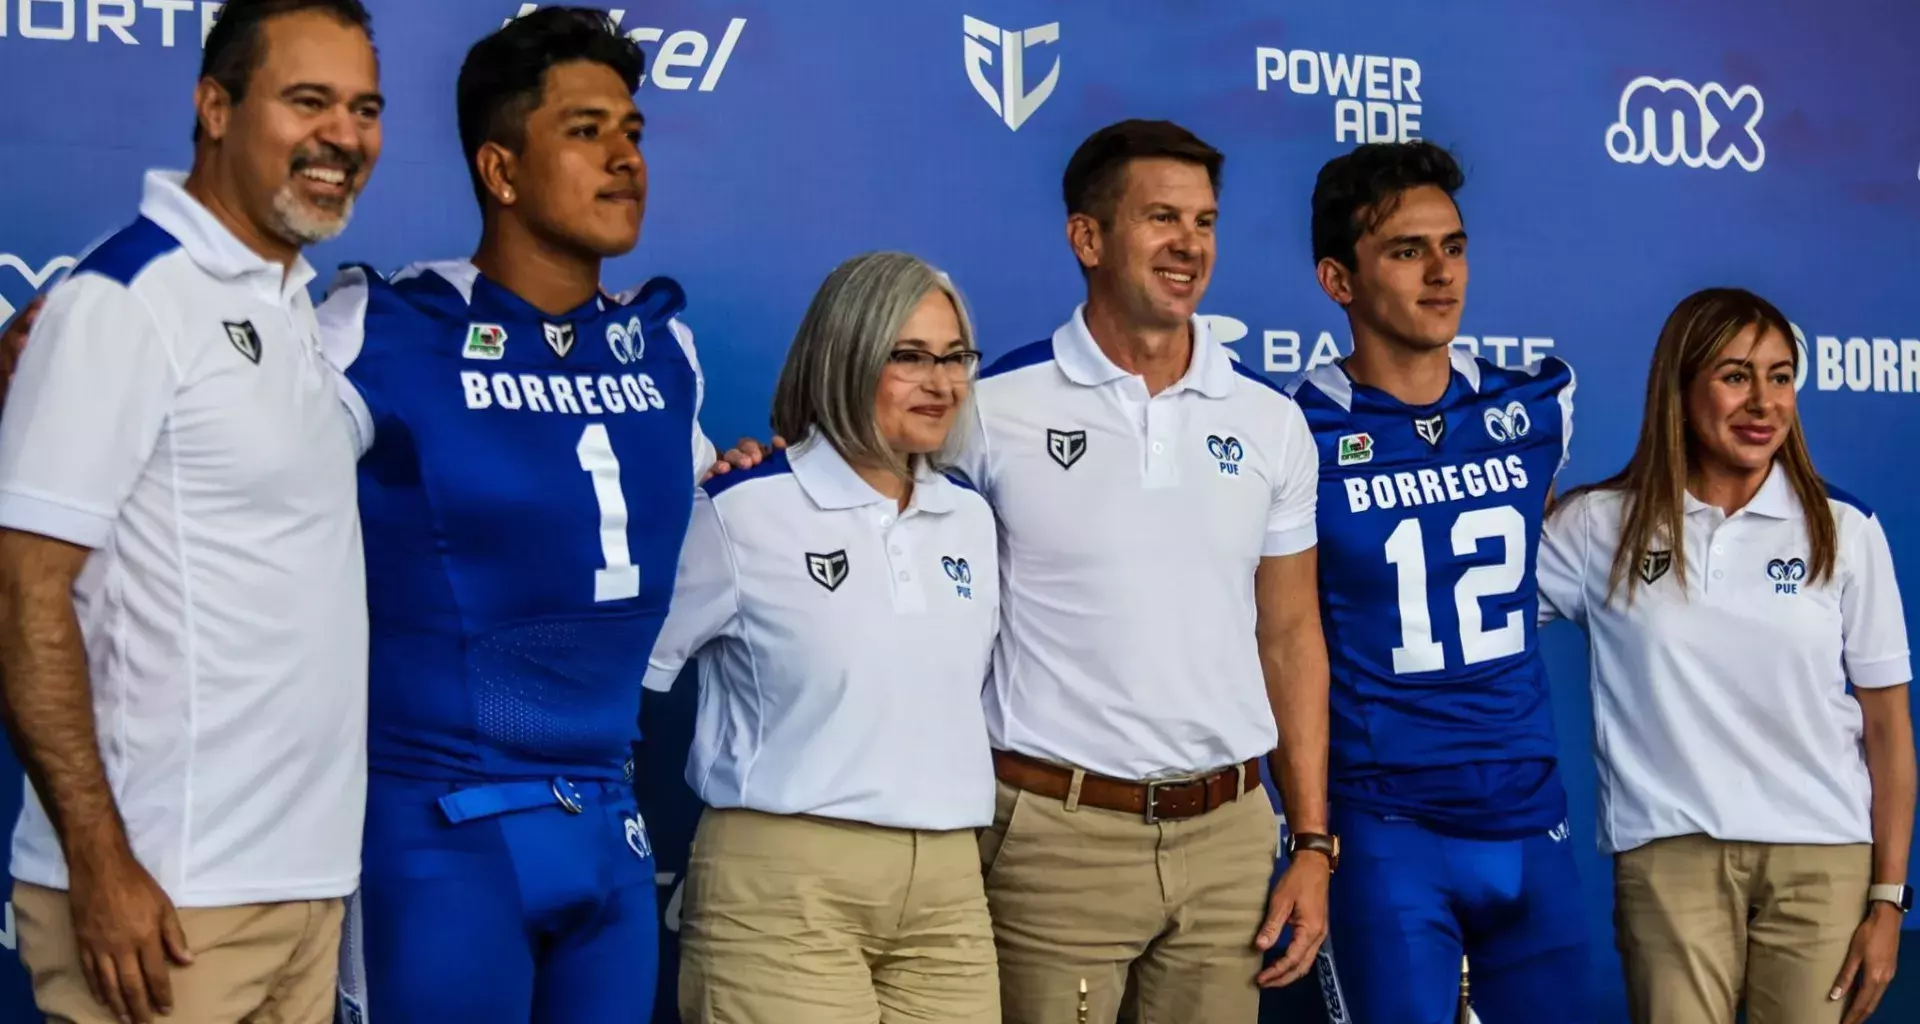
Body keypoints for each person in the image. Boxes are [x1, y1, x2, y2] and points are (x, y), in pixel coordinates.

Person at [314, 9, 713, 1022]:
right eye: (585, 132)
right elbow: (215, 463)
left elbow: (698, 538)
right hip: (437, 833)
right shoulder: (380, 329)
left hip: (611, 828)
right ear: (500, 170)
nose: (625, 158)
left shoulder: (666, 352)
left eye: (632, 132)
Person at [0, 1, 382, 1022]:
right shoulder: (125, 301)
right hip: (162, 908)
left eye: (363, 108)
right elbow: (22, 594)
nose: (342, 136)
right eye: (308, 101)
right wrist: (101, 864)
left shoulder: (290, 300)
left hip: (300, 891)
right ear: (215, 107)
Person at [958, 119, 1331, 1024]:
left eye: (1204, 222)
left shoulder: (1271, 419)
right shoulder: (988, 410)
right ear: (1088, 238)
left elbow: (1289, 635)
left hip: (1232, 836)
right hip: (1053, 833)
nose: (1189, 246)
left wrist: (1312, 842)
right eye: (1161, 218)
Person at [1537, 288, 1915, 1024]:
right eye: (1736, 375)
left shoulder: (1845, 529)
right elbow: (1475, 611)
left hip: (1822, 859)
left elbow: (1889, 730)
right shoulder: (1597, 526)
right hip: (1670, 858)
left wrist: (1888, 899)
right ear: (1679, 387)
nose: (1763, 402)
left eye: (1780, 376)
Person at [643, 251, 1000, 1023]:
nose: (940, 383)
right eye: (908, 357)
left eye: (955, 357)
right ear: (844, 355)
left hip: (949, 891)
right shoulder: (742, 511)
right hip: (783, 888)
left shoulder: (970, 517)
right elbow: (626, 681)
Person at [1285, 141, 1589, 1024]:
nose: (1440, 273)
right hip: (1388, 828)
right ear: (1339, 281)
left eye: (1452, 246)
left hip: (1533, 818)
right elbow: (1277, 633)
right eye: (1407, 251)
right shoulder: (1289, 428)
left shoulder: (1535, 407)